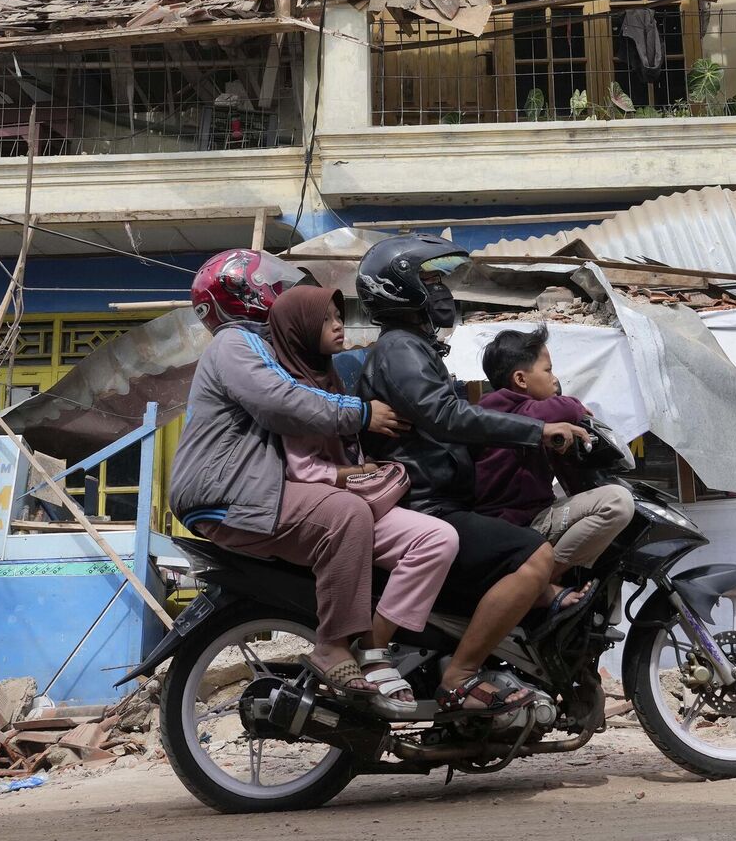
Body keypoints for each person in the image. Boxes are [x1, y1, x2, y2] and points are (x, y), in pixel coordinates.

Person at [354, 235, 591, 717]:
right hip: (425, 505)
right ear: (400, 288)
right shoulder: (400, 349)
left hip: (441, 500)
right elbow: (446, 416)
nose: (441, 290)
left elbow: (452, 417)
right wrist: (537, 430)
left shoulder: (415, 349)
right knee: (534, 556)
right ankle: (461, 674)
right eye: (430, 279)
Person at [167, 249, 414, 705]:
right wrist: (361, 413)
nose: (283, 291)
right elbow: (280, 401)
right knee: (344, 515)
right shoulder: (235, 343)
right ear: (249, 293)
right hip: (228, 490)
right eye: (273, 284)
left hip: (247, 488)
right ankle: (335, 646)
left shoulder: (258, 345)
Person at [265, 284, 462, 705]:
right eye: (327, 320)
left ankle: (376, 646)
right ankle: (358, 650)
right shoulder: (294, 390)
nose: (339, 326)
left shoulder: (329, 375)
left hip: (357, 499)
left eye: (340, 317)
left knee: (439, 539)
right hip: (326, 505)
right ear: (300, 329)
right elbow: (302, 469)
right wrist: (357, 471)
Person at [473, 326, 634, 608]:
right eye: (548, 371)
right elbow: (557, 409)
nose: (555, 379)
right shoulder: (499, 408)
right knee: (617, 503)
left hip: (526, 519)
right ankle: (534, 583)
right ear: (521, 379)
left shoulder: (533, 420)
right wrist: (575, 407)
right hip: (511, 523)